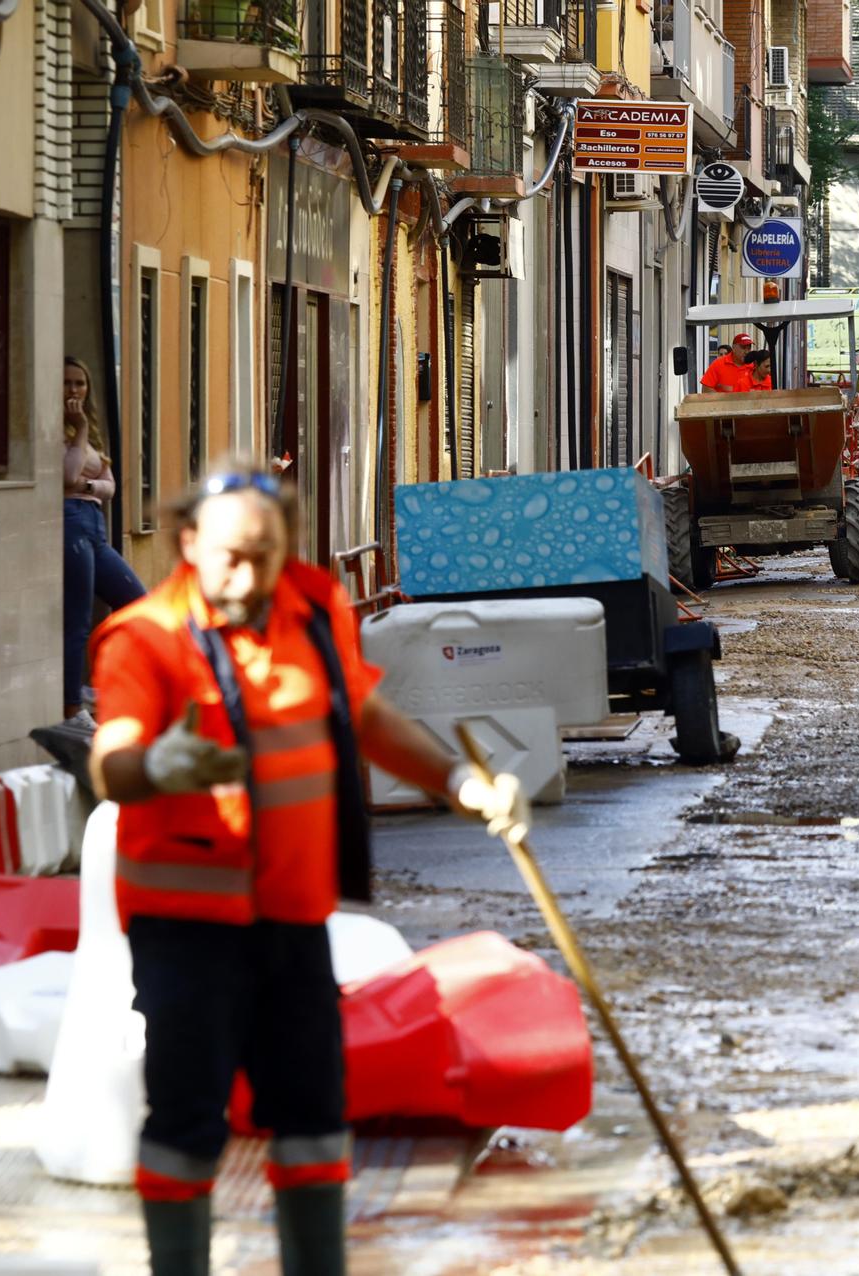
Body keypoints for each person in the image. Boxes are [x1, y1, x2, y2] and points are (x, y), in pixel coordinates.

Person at [86, 464, 530, 1276]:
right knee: (186, 1123)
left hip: (293, 920)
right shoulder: (144, 638)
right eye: (229, 556)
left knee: (316, 1119)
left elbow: (361, 715)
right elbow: (110, 765)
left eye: (265, 555)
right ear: (188, 543)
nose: (246, 577)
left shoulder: (313, 609)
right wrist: (156, 767)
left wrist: (459, 782)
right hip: (186, 934)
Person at [63, 356, 146, 720]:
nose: (74, 390)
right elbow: (66, 477)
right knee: (78, 621)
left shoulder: (90, 429)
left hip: (92, 523)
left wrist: (89, 485)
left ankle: (104, 684)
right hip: (70, 523)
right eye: (66, 383)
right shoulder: (57, 427)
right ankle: (71, 705)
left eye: (80, 383)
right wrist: (78, 430)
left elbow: (110, 488)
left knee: (137, 602)